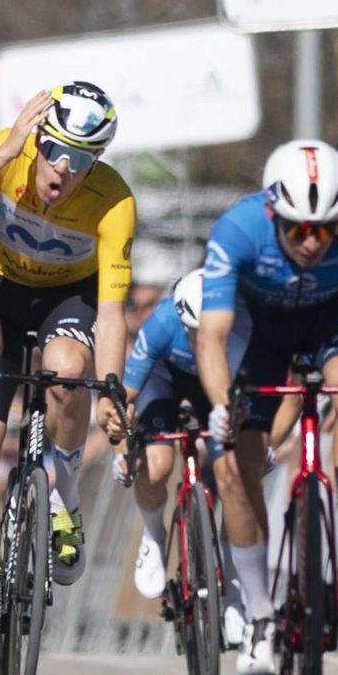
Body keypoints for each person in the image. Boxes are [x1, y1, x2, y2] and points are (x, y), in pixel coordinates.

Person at [0, 82, 135, 675]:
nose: (64, 169)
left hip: (67, 299)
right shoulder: (10, 150)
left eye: (82, 159)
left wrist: (111, 389)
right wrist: (4, 154)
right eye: (55, 151)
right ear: (39, 140)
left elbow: (112, 313)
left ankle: (64, 500)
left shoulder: (113, 200)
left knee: (70, 372)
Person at [196, 139, 338, 675]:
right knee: (234, 465)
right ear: (273, 213)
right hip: (259, 328)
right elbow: (212, 335)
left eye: (326, 230)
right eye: (299, 230)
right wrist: (220, 407)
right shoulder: (237, 229)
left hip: (334, 321)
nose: (312, 242)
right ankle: (260, 615)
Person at [118, 268, 248, 647]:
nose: (201, 340)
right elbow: (123, 397)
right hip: (164, 379)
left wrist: (263, 443)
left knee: (234, 476)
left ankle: (234, 591)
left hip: (217, 382)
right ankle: (154, 537)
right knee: (157, 467)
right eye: (194, 333)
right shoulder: (161, 322)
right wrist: (121, 449)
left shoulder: (242, 323)